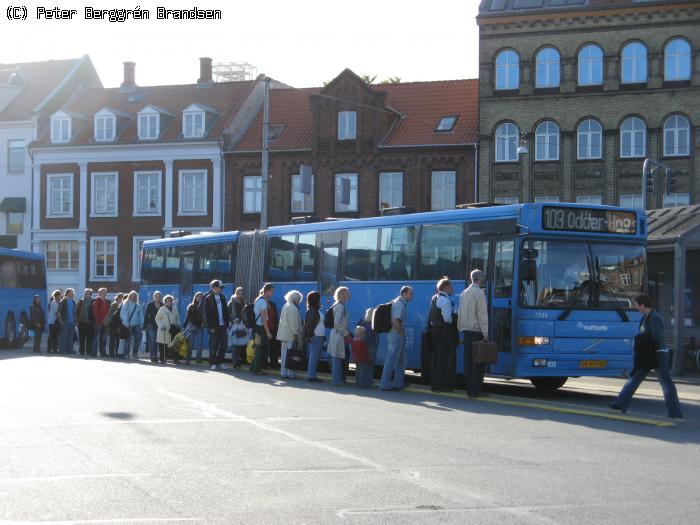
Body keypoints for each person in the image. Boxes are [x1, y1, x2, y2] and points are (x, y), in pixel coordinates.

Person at [609, 294, 683, 418]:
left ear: (643, 305)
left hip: (658, 354)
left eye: (637, 305)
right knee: (635, 377)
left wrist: (642, 342)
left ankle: (675, 411)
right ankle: (620, 403)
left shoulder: (654, 317)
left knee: (665, 382)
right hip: (649, 354)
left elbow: (657, 337)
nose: (636, 308)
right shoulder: (646, 317)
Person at [458, 269, 490, 398]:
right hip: (477, 331)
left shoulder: (465, 292)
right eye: (482, 278)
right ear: (480, 279)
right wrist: (485, 333)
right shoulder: (479, 293)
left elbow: (460, 312)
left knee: (468, 361)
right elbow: (482, 315)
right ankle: (476, 389)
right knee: (478, 361)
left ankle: (469, 389)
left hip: (466, 330)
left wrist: (460, 328)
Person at [380, 286, 414, 391]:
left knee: (401, 361)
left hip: (396, 335)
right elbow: (395, 321)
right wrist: (401, 334)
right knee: (391, 360)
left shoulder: (399, 303)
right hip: (396, 335)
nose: (412, 296)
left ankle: (398, 383)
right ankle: (385, 384)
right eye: (410, 293)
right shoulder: (399, 304)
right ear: (404, 293)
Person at [429, 277, 456, 393]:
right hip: (443, 333)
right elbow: (447, 319)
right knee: (443, 360)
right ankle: (441, 385)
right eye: (451, 287)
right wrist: (455, 316)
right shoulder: (445, 301)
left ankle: (435, 384)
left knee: (437, 359)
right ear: (446, 287)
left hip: (435, 332)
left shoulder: (435, 298)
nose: (452, 289)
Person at [203, 279, 230, 370]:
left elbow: (226, 311)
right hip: (213, 326)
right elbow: (206, 314)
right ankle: (212, 363)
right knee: (213, 344)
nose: (221, 289)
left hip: (223, 325)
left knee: (224, 344)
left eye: (221, 288)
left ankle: (220, 362)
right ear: (214, 288)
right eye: (220, 287)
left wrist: (227, 323)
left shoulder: (222, 297)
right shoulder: (208, 298)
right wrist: (210, 327)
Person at [327, 287, 351, 386]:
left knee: (336, 358)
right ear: (343, 295)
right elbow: (337, 323)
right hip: (339, 335)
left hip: (336, 334)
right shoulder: (341, 306)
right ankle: (336, 381)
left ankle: (337, 380)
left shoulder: (336, 305)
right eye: (347, 293)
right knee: (337, 358)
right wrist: (346, 333)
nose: (349, 294)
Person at [277, 290, 303, 379]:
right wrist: (296, 334)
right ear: (295, 299)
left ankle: (283, 373)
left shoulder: (286, 305)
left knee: (284, 354)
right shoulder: (293, 308)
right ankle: (290, 373)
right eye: (299, 299)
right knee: (291, 354)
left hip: (284, 334)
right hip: (290, 334)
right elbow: (293, 323)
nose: (299, 301)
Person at [251, 283, 274, 375]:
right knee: (261, 348)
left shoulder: (259, 299)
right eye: (272, 291)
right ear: (267, 291)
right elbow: (263, 318)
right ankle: (257, 369)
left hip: (257, 327)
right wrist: (268, 332)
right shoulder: (262, 302)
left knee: (258, 347)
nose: (272, 293)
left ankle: (253, 367)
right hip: (260, 328)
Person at [304, 291, 324, 383]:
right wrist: (309, 335)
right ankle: (311, 376)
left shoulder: (316, 310)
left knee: (316, 356)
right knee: (314, 356)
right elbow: (309, 325)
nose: (320, 300)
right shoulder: (312, 310)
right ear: (316, 300)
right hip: (315, 336)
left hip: (319, 336)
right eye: (319, 298)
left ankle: (313, 375)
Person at [156, 295, 181, 364]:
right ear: (165, 302)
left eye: (170, 301)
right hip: (164, 331)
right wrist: (161, 326)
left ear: (172, 302)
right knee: (163, 346)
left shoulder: (175, 309)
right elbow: (157, 319)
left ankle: (176, 359)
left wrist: (179, 325)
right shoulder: (162, 309)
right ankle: (163, 359)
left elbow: (178, 318)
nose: (169, 302)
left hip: (173, 330)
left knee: (174, 345)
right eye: (167, 301)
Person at [119, 291, 144, 359]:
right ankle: (126, 354)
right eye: (132, 295)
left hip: (137, 325)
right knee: (127, 340)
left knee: (138, 340)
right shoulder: (126, 303)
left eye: (135, 296)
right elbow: (123, 314)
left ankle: (135, 353)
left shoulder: (138, 306)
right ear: (129, 296)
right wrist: (126, 323)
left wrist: (142, 325)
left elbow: (141, 316)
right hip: (128, 325)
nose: (133, 297)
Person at [228, 287, 249, 367]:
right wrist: (233, 319)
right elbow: (227, 313)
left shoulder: (244, 302)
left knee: (241, 342)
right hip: (233, 324)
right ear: (236, 293)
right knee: (235, 343)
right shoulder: (231, 302)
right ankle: (235, 362)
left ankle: (238, 360)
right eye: (239, 294)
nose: (241, 295)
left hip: (242, 324)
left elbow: (245, 313)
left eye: (242, 294)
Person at [184, 292, 205, 364]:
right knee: (190, 344)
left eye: (201, 297)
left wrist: (204, 324)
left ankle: (198, 359)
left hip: (200, 327)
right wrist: (184, 326)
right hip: (191, 327)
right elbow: (187, 317)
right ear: (195, 298)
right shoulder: (191, 306)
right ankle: (188, 359)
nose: (199, 298)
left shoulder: (204, 307)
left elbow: (206, 318)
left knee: (200, 344)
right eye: (198, 297)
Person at [143, 291, 163, 362]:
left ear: (160, 297)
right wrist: (144, 325)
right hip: (150, 325)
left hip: (159, 326)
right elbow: (146, 315)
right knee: (152, 341)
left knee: (158, 341)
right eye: (156, 296)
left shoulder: (162, 305)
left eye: (159, 296)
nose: (158, 297)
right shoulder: (150, 305)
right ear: (154, 297)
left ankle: (156, 356)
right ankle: (153, 356)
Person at [91, 288, 110, 357]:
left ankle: (103, 353)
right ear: (99, 293)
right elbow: (95, 312)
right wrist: (97, 321)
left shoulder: (107, 301)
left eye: (105, 292)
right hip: (98, 322)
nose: (104, 293)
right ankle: (94, 353)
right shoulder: (97, 300)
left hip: (104, 322)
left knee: (104, 338)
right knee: (96, 338)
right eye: (102, 292)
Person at [75, 288, 95, 356]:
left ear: (91, 294)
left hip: (90, 323)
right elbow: (77, 312)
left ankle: (89, 351)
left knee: (90, 338)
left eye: (88, 293)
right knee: (81, 338)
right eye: (86, 293)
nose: (87, 294)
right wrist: (77, 321)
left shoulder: (93, 302)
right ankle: (82, 351)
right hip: (82, 322)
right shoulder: (80, 301)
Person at [58, 288, 76, 354]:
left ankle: (69, 350)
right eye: (71, 293)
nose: (73, 294)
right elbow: (59, 312)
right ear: (67, 293)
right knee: (63, 337)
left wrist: (75, 321)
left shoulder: (73, 302)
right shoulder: (63, 301)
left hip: (72, 322)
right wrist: (60, 321)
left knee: (70, 337)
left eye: (73, 293)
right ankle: (62, 350)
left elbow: (74, 312)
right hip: (65, 322)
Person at [107, 293, 124, 357]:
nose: (121, 299)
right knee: (112, 339)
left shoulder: (123, 305)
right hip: (113, 324)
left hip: (120, 325)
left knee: (118, 340)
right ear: (117, 298)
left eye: (122, 298)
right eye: (120, 297)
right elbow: (109, 314)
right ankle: (111, 353)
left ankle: (117, 353)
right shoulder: (113, 305)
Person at [47, 290, 62, 354]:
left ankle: (55, 349)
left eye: (60, 295)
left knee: (56, 336)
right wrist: (61, 320)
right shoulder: (54, 303)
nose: (60, 296)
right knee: (51, 336)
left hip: (56, 322)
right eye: (59, 295)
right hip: (52, 322)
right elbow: (57, 313)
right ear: (55, 296)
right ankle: (49, 349)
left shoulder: (59, 302)